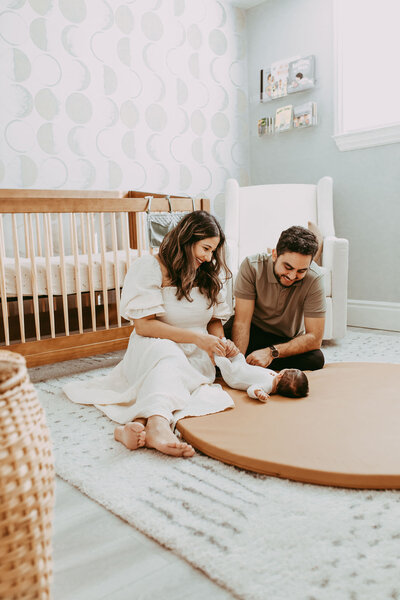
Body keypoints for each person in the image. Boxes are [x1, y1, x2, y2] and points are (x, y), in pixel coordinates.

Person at [64, 211, 238, 458]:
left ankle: (133, 427)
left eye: (213, 251)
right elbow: (144, 326)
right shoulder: (151, 267)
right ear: (187, 240)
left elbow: (213, 322)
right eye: (205, 248)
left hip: (196, 356)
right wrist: (198, 339)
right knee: (166, 354)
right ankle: (158, 424)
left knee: (172, 367)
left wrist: (220, 343)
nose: (209, 258)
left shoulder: (207, 273)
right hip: (152, 345)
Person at [224, 225, 326, 371]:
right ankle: (249, 363)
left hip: (283, 339)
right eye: (288, 267)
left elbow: (315, 338)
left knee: (316, 359)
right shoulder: (251, 266)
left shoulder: (314, 278)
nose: (292, 276)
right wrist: (238, 365)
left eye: (301, 271)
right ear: (274, 254)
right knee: (217, 345)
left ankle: (258, 362)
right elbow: (242, 323)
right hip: (251, 330)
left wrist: (271, 353)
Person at [215, 352, 309, 402]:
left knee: (223, 362)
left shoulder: (267, 387)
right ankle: (222, 346)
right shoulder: (276, 377)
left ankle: (212, 356)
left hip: (234, 376)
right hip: (243, 366)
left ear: (281, 375)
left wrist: (258, 393)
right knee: (238, 355)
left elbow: (251, 389)